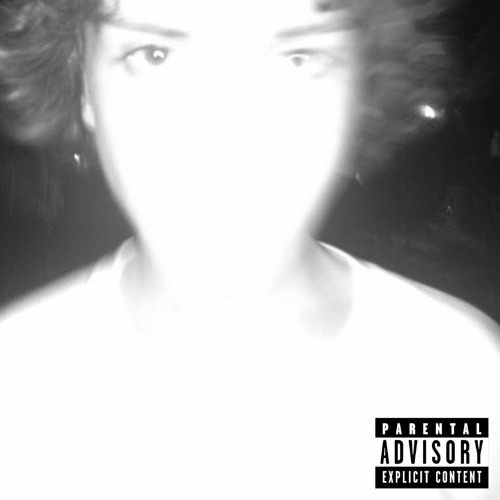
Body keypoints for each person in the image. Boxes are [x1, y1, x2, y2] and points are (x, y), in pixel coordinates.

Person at [0, 0, 499, 498]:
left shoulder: (457, 380)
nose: (229, 138)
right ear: (82, 85)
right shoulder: (16, 392)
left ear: (361, 88)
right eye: (155, 55)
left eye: (299, 57)